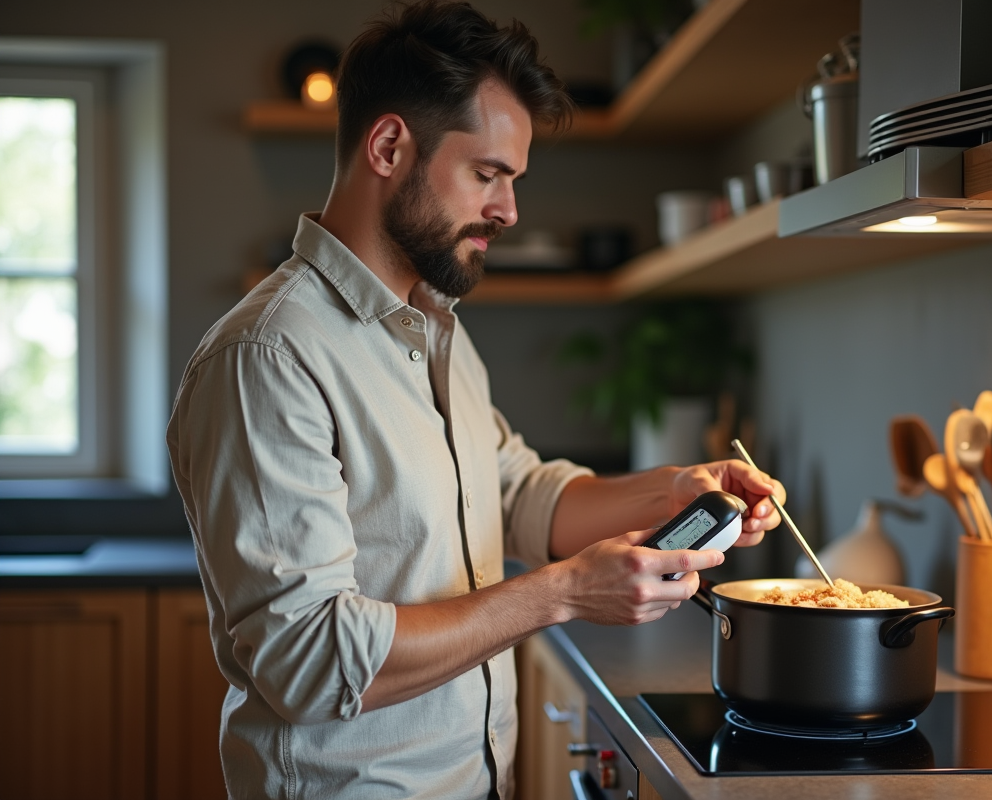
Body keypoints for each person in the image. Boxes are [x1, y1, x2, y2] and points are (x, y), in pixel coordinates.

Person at [166, 2, 784, 798]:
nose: (509, 210)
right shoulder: (268, 356)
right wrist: (563, 593)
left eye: (512, 180)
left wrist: (674, 491)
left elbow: (517, 494)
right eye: (488, 175)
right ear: (389, 147)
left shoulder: (433, 329)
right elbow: (310, 660)